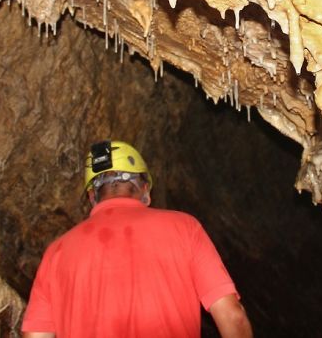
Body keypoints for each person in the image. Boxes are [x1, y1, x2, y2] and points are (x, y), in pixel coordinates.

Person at [22, 140, 253, 338]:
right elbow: (233, 316)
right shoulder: (185, 228)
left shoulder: (56, 253)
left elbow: (35, 334)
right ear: (145, 190)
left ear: (92, 196)